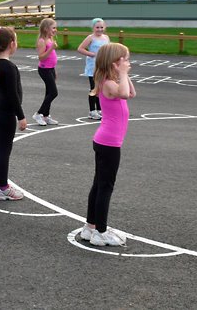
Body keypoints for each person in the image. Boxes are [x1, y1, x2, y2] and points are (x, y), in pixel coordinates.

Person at [79, 43, 136, 247]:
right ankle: (100, 232)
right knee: (105, 187)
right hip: (109, 144)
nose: (128, 62)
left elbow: (131, 93)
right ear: (114, 63)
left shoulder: (111, 81)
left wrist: (124, 74)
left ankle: (90, 226)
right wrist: (122, 73)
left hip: (106, 141)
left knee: (99, 184)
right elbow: (124, 94)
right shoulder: (109, 84)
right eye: (125, 59)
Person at [0, 27, 27, 200]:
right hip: (4, 112)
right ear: (11, 44)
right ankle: (2, 187)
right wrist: (21, 116)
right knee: (4, 150)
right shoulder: (9, 67)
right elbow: (12, 95)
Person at [77, 18, 110, 120]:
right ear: (93, 28)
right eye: (97, 27)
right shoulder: (90, 38)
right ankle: (92, 111)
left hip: (103, 66)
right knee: (94, 88)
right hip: (93, 66)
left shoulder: (106, 38)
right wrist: (91, 54)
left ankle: (99, 109)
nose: (99, 29)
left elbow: (108, 50)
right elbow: (80, 49)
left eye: (101, 27)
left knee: (101, 88)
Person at [32, 18, 59, 126]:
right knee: (53, 92)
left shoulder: (50, 38)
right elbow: (41, 57)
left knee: (49, 92)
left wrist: (54, 70)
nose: (55, 30)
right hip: (44, 69)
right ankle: (38, 113)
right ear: (46, 29)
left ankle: (46, 115)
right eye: (53, 28)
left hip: (51, 69)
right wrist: (51, 48)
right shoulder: (42, 41)